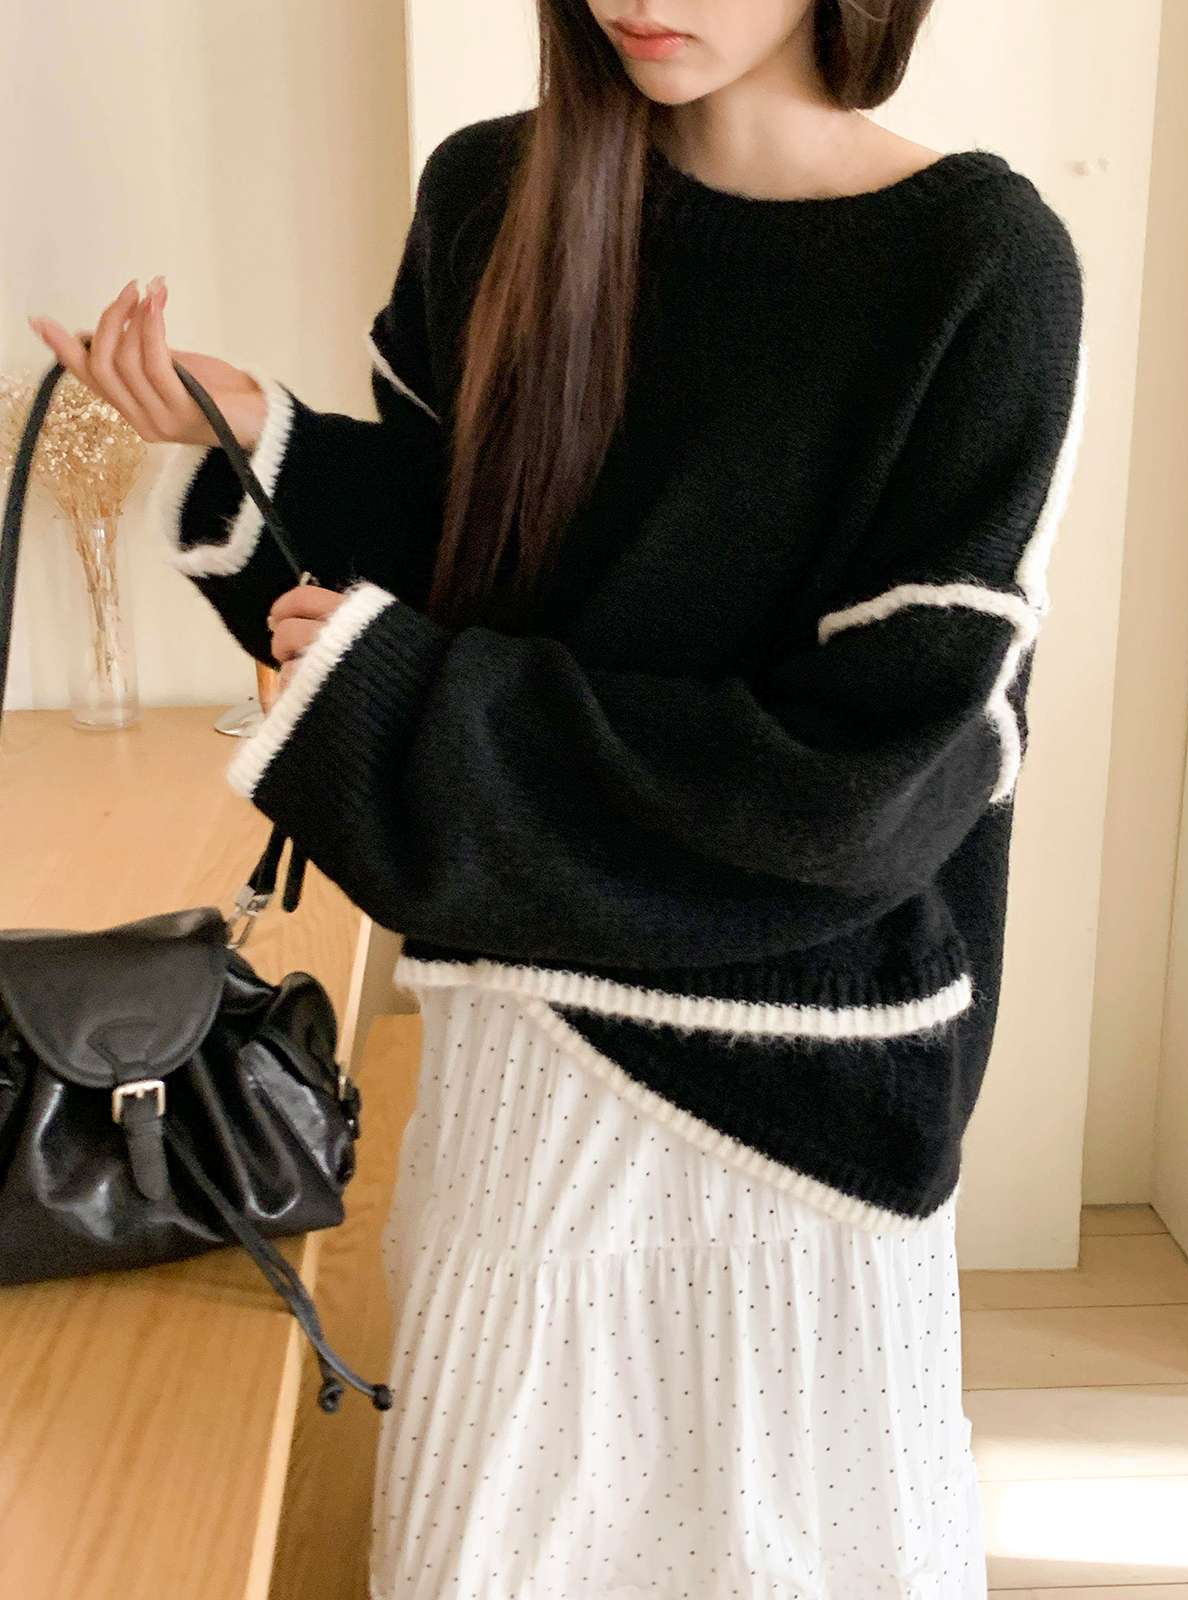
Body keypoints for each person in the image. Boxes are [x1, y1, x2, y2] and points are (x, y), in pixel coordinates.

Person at [30, 0, 1087, 1592]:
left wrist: (415, 696)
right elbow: (466, 553)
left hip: (803, 1102)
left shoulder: (979, 268)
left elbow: (866, 787)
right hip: (525, 1050)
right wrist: (258, 444)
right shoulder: (489, 197)